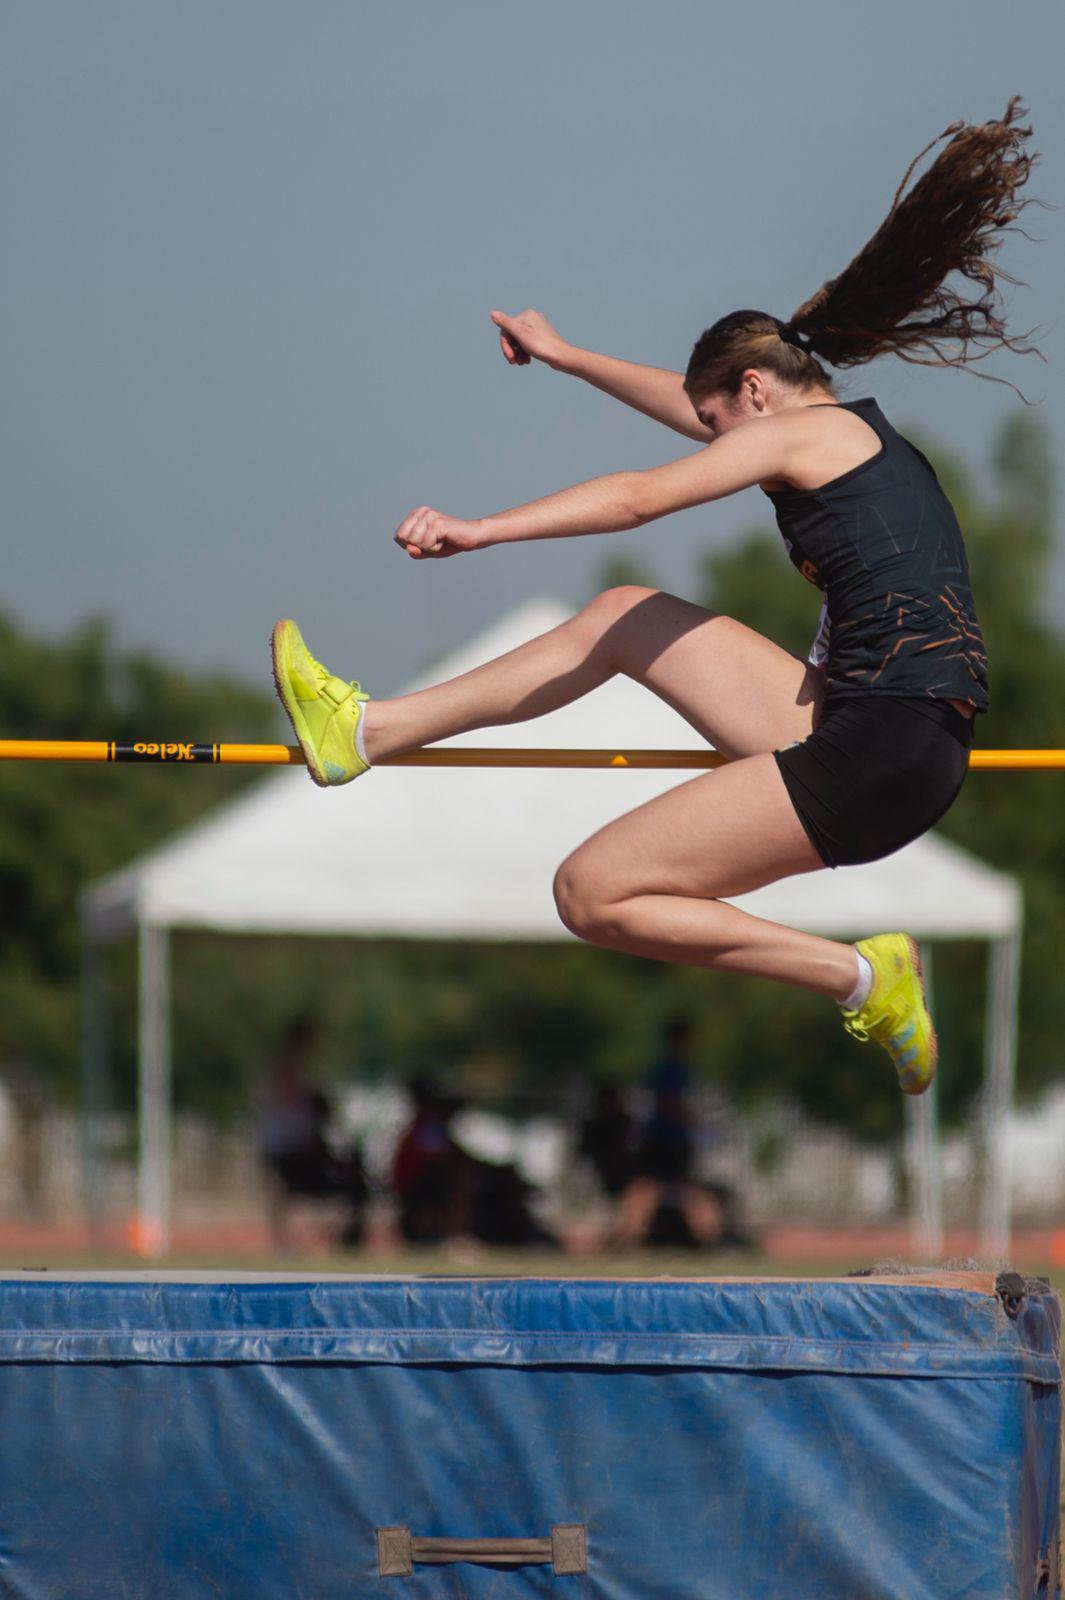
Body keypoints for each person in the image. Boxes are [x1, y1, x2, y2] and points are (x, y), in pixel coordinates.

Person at [271, 101, 1037, 1104]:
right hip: (890, 727)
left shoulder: (794, 435)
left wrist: (482, 528)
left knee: (591, 890)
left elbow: (638, 493)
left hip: (885, 742)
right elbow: (696, 407)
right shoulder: (835, 434)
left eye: (720, 428)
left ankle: (860, 974)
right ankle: (364, 732)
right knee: (624, 615)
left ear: (757, 393)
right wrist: (569, 356)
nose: (715, 445)